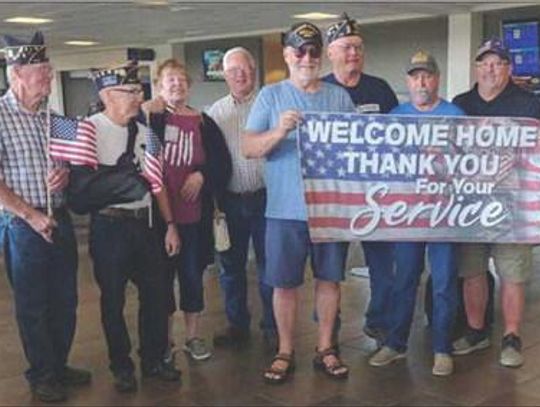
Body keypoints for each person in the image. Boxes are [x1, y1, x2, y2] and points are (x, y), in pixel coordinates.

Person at [243, 21, 355, 383]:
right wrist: (279, 131)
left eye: (314, 51)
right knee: (284, 283)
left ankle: (326, 348)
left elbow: (359, 149)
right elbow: (247, 148)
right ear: (287, 55)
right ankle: (285, 349)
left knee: (329, 280)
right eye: (300, 51)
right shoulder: (270, 96)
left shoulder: (338, 97)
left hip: (329, 209)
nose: (308, 58)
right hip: (284, 210)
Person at [0, 32, 91, 402]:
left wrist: (64, 175)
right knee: (34, 304)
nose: (49, 80)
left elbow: (67, 163)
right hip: (23, 226)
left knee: (65, 300)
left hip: (60, 219)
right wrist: (31, 215)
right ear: (17, 73)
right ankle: (42, 373)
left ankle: (59, 364)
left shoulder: (52, 119)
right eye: (43, 73)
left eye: (50, 73)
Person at [87, 62, 181, 393]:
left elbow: (159, 185)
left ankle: (153, 358)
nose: (137, 97)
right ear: (107, 95)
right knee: (112, 299)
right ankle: (121, 365)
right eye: (130, 91)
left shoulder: (144, 132)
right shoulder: (88, 131)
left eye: (139, 90)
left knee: (156, 295)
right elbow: (82, 187)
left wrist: (170, 225)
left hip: (146, 225)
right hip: (109, 226)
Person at [368, 51, 463, 376]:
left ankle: (441, 348)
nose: (421, 82)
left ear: (437, 78)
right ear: (407, 81)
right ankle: (395, 343)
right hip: (406, 213)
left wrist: (444, 157)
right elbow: (382, 163)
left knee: (444, 283)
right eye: (414, 76)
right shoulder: (396, 115)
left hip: (443, 214)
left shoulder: (455, 114)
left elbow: (473, 165)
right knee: (404, 280)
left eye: (427, 75)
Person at [451, 38, 540, 368]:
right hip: (470, 205)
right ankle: (477, 331)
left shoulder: (530, 104)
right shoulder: (460, 104)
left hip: (514, 206)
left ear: (509, 68)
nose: (490, 69)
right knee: (472, 270)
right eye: (485, 62)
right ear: (477, 68)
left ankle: (512, 336)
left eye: (498, 62)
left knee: (512, 273)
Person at [142, 59, 232, 362]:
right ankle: (165, 339)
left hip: (195, 217)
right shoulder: (149, 119)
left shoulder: (203, 122)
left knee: (192, 276)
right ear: (158, 85)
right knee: (161, 280)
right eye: (170, 80)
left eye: (182, 79)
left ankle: (193, 336)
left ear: (189, 86)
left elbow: (223, 163)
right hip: (158, 219)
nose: (176, 84)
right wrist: (145, 109)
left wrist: (202, 175)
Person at [323, 12, 399, 344]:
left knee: (383, 264)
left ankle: (379, 318)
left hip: (375, 194)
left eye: (357, 47)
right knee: (329, 266)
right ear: (330, 52)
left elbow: (399, 137)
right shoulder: (320, 90)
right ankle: (328, 322)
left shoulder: (380, 89)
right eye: (346, 47)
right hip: (333, 195)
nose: (353, 53)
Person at [207, 47, 276, 349]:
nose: (239, 74)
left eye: (244, 68)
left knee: (269, 267)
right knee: (230, 267)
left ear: (254, 69)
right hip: (230, 202)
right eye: (232, 70)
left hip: (267, 199)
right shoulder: (214, 113)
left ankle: (274, 324)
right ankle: (237, 324)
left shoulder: (270, 104)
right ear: (224, 75)